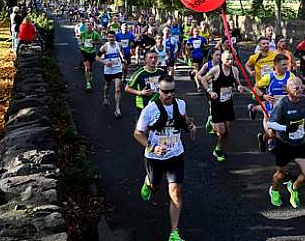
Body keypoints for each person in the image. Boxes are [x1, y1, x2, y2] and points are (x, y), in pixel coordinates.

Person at [133, 75, 196, 241]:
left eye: (172, 91)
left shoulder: (181, 104)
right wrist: (152, 147)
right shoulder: (150, 109)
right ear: (158, 90)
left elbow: (184, 120)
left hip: (175, 154)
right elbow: (137, 133)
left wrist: (190, 126)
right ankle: (148, 182)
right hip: (154, 157)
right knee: (155, 185)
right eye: (165, 91)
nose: (169, 94)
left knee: (175, 192)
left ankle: (174, 232)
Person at [266, 76, 305, 208]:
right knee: (280, 174)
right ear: (288, 89)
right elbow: (270, 123)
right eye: (296, 87)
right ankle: (274, 190)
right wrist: (286, 128)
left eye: (301, 87)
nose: (299, 90)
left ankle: (294, 187)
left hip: (300, 142)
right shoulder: (282, 104)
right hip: (284, 143)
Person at [199, 50, 244, 162]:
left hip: (228, 103)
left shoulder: (235, 70)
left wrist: (239, 87)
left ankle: (218, 147)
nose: (230, 61)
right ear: (222, 60)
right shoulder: (216, 70)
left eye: (231, 59)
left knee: (226, 132)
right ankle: (218, 150)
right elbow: (204, 80)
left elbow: (237, 82)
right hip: (216, 103)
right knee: (222, 131)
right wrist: (210, 91)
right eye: (227, 59)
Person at [250, 53, 291, 152]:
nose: (286, 67)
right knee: (272, 133)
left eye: (287, 64)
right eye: (284, 65)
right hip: (271, 108)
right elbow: (255, 88)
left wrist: (290, 90)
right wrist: (263, 96)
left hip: (285, 108)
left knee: (285, 129)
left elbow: (297, 88)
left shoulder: (290, 75)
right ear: (276, 65)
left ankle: (281, 147)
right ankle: (264, 139)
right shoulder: (269, 77)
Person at [97, 30, 125, 119]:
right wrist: (104, 63)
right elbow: (97, 57)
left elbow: (121, 52)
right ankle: (105, 97)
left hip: (118, 68)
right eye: (109, 37)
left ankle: (117, 109)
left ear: (115, 37)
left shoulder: (119, 44)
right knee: (107, 85)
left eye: (112, 37)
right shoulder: (105, 47)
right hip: (108, 70)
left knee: (117, 89)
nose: (111, 39)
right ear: (107, 37)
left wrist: (123, 59)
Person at [79, 22, 102, 91]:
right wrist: (81, 44)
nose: (88, 27)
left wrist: (94, 42)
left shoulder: (95, 34)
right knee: (87, 67)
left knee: (90, 66)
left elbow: (100, 41)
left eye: (90, 25)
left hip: (92, 52)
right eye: (87, 25)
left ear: (92, 26)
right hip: (84, 51)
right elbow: (79, 41)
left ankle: (90, 73)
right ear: (85, 27)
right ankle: (88, 84)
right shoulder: (83, 34)